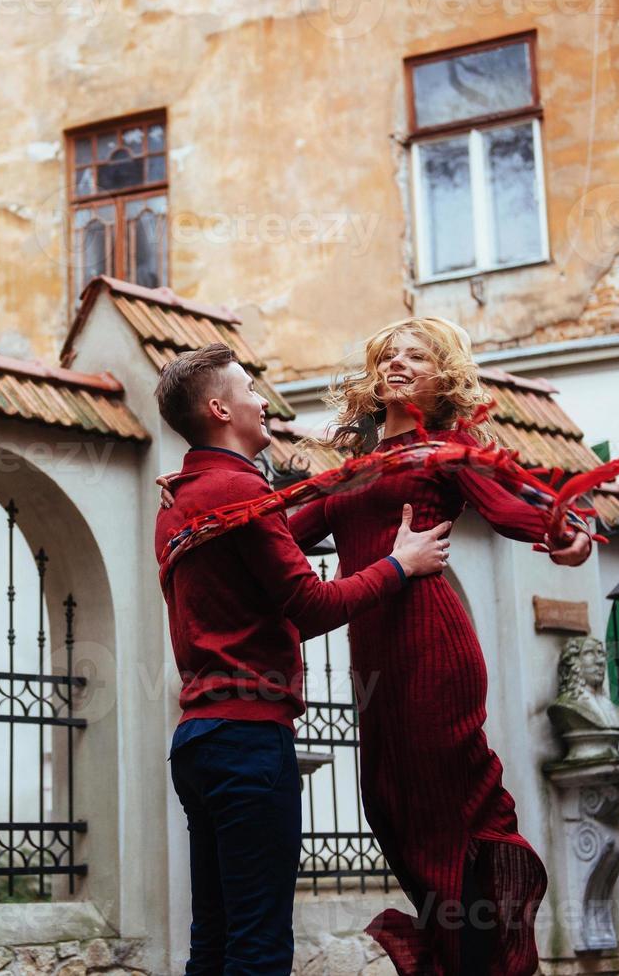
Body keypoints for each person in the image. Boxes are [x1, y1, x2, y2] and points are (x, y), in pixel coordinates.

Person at [288, 316, 592, 975]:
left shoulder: (445, 454)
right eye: (387, 354)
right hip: (374, 657)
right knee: (386, 806)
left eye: (415, 357)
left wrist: (569, 534)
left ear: (443, 378)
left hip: (433, 645)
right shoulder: (356, 466)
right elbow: (287, 531)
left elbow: (518, 513)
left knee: (445, 809)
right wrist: (210, 512)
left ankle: (479, 953)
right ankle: (460, 949)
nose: (396, 363)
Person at [154, 342, 454, 975]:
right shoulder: (239, 489)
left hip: (197, 741)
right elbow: (309, 603)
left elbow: (270, 551)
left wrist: (355, 483)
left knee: (213, 938)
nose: (263, 400)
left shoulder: (180, 503)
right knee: (260, 946)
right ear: (219, 408)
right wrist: (400, 565)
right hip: (248, 742)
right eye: (249, 390)